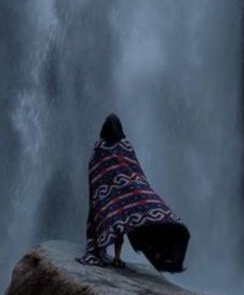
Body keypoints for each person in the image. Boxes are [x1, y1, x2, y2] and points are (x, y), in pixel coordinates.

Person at [76, 113, 190, 271]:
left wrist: (105, 189)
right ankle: (117, 258)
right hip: (129, 193)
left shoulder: (100, 146)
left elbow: (96, 171)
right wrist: (138, 185)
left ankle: (116, 258)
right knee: (122, 229)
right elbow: (135, 170)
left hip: (110, 196)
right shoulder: (125, 145)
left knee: (117, 226)